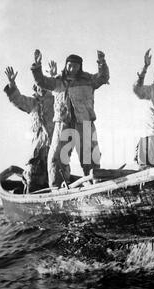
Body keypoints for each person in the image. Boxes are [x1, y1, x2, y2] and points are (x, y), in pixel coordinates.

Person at [31, 49, 110, 187]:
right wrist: (37, 67)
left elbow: (103, 78)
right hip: (63, 124)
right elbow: (41, 81)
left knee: (90, 157)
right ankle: (57, 188)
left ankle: (94, 185)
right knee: (57, 158)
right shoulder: (58, 82)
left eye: (75, 66)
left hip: (84, 124)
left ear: (80, 67)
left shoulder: (89, 80)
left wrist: (102, 62)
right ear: (66, 65)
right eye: (69, 65)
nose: (72, 68)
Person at [3, 65, 56, 192]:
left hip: (54, 149)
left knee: (54, 178)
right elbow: (17, 99)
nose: (42, 88)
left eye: (44, 85)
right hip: (37, 152)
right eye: (39, 86)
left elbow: (60, 91)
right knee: (33, 179)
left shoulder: (55, 101)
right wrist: (12, 83)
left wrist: (53, 77)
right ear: (36, 88)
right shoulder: (33, 104)